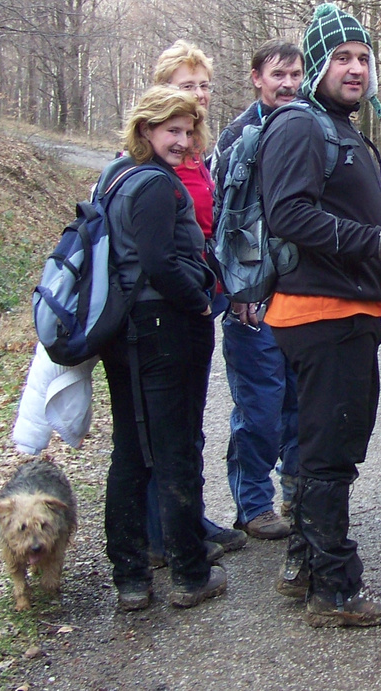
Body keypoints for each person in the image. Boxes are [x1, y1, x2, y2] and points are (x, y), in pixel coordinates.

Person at [259, 3, 381, 628]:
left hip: (344, 312)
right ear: (315, 64)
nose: (356, 68)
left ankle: (308, 566)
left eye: (363, 57)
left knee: (324, 448)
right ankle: (336, 591)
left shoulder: (339, 128)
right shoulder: (301, 126)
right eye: (341, 57)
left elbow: (344, 221)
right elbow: (288, 215)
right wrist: (380, 243)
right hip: (321, 316)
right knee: (331, 452)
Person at [101, 86, 228, 611]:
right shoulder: (155, 183)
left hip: (123, 328)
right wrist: (199, 301)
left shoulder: (115, 177)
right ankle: (189, 574)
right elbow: (157, 260)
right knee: (173, 450)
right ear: (146, 130)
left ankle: (130, 578)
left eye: (188, 131)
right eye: (170, 130)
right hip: (163, 328)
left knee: (131, 449)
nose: (181, 141)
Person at [146, 42, 249, 559]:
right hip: (168, 308)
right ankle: (161, 535)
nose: (200, 94)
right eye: (187, 86)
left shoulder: (198, 153)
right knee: (160, 426)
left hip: (197, 297)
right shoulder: (148, 160)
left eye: (204, 85)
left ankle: (189, 521)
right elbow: (155, 250)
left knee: (188, 423)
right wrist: (195, 298)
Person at [211, 41, 306, 542]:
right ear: (256, 78)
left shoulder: (308, 126)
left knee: (300, 401)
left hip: (300, 293)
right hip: (250, 300)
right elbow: (221, 225)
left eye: (295, 74)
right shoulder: (234, 139)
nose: (287, 84)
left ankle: (295, 491)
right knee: (260, 407)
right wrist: (235, 291)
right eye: (278, 75)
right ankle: (253, 503)